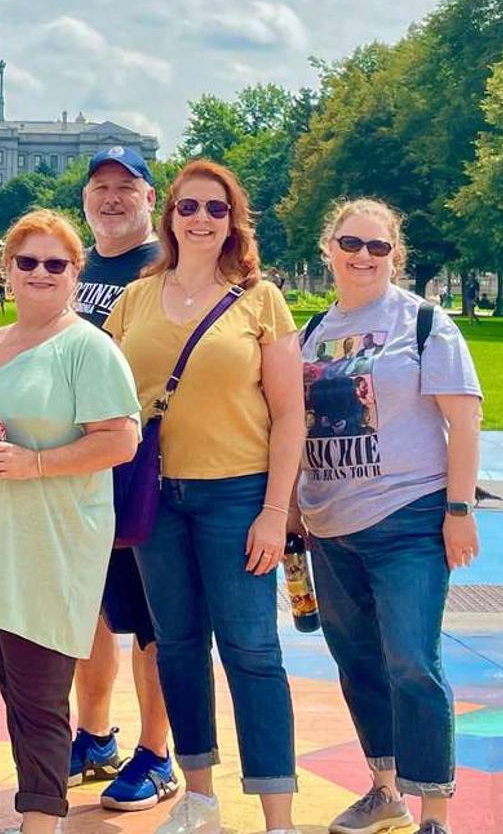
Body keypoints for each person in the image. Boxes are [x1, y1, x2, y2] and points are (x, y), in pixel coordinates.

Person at [0, 208, 142, 834]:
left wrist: (35, 463)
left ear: (76, 273)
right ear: (7, 270)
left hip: (44, 545)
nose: (41, 273)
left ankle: (40, 820)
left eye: (57, 263)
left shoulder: (87, 348)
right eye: (28, 262)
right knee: (17, 693)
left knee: (41, 698)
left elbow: (121, 440)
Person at [104, 160, 302, 834]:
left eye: (215, 209)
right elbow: (99, 392)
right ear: (170, 216)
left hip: (237, 496)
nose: (200, 219)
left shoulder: (260, 299)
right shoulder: (136, 297)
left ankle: (277, 813)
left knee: (252, 649)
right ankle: (199, 795)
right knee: (179, 645)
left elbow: (290, 414)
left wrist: (276, 510)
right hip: (155, 500)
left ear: (232, 220)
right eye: (188, 207)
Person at [297, 198, 482, 834]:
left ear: (395, 255)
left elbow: (464, 419)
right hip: (329, 525)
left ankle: (434, 810)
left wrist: (459, 509)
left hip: (409, 516)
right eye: (351, 243)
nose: (364, 257)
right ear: (330, 248)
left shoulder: (425, 323)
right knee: (358, 662)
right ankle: (384, 790)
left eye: (378, 247)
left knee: (412, 660)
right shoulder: (312, 333)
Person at [69, 146, 178, 810]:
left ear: (148, 196)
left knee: (149, 618)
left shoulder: (162, 268)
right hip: (79, 468)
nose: (111, 198)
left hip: (141, 467)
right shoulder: (77, 266)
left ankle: (158, 750)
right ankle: (95, 733)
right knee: (87, 610)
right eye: (100, 187)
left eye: (125, 187)